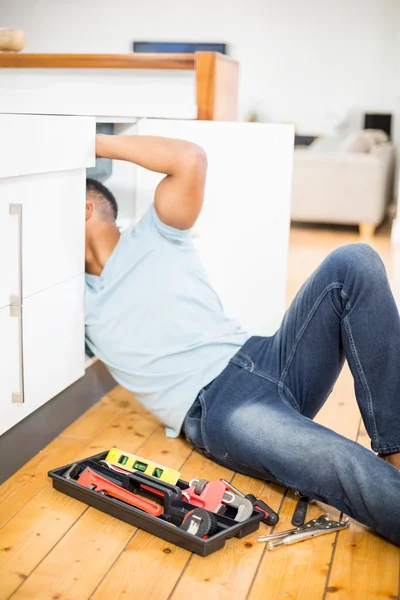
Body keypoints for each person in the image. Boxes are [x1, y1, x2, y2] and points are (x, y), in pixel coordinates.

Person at [85, 133, 400, 546]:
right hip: (220, 407)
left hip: (266, 355)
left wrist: (87, 142)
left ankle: (394, 450)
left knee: (354, 261)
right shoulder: (75, 302)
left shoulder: (156, 234)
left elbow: (189, 158)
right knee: (345, 462)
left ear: (85, 206)